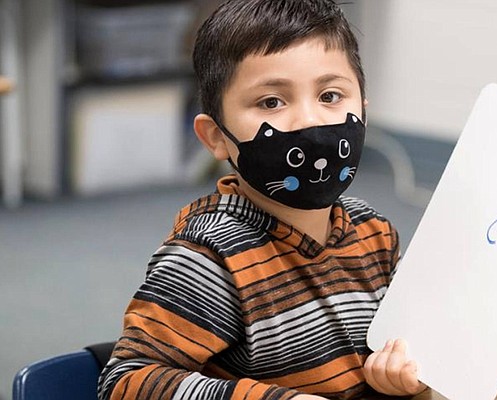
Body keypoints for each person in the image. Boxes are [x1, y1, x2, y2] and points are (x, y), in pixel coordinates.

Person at [98, 1, 426, 399]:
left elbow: (411, 343)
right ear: (216, 137)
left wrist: (404, 369)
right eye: (271, 102)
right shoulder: (212, 256)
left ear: (363, 112)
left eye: (331, 95)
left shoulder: (374, 234)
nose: (310, 121)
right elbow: (127, 382)